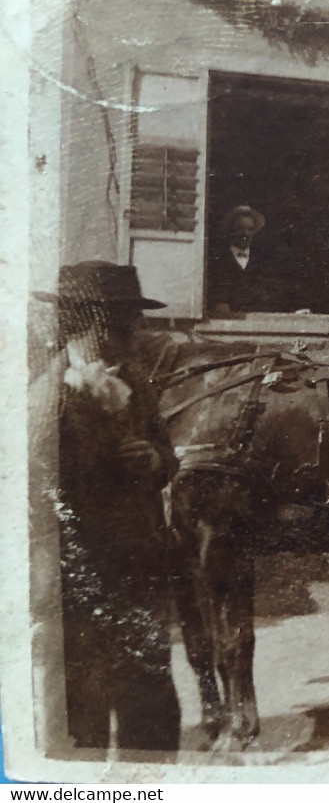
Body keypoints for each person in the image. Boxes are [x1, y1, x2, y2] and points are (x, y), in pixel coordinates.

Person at [33, 261, 180, 756]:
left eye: (132, 325)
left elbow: (168, 455)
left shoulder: (135, 381)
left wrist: (155, 459)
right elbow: (42, 495)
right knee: (83, 720)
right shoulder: (46, 401)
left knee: (153, 713)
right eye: (120, 326)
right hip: (79, 589)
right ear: (85, 326)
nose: (132, 336)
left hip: (139, 578)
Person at [206, 204, 284, 316]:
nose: (245, 234)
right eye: (239, 229)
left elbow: (272, 294)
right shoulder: (217, 260)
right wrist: (217, 304)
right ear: (230, 230)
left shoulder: (262, 261)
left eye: (250, 229)